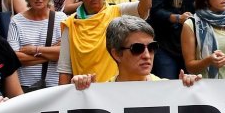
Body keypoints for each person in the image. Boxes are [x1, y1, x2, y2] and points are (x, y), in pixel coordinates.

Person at [57, 0, 152, 85]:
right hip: (86, 93)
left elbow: (144, 8)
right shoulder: (70, 23)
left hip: (115, 90)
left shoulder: (117, 11)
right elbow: (64, 70)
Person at [70, 15, 199, 86]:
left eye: (152, 47)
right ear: (116, 54)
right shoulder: (100, 93)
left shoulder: (168, 88)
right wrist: (79, 92)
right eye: (137, 49)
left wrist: (191, 90)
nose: (147, 55)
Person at [8, 0, 66, 92]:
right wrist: (52, 53)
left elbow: (65, 53)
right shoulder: (16, 21)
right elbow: (15, 57)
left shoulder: (61, 18)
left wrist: (34, 49)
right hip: (25, 86)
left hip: (54, 86)